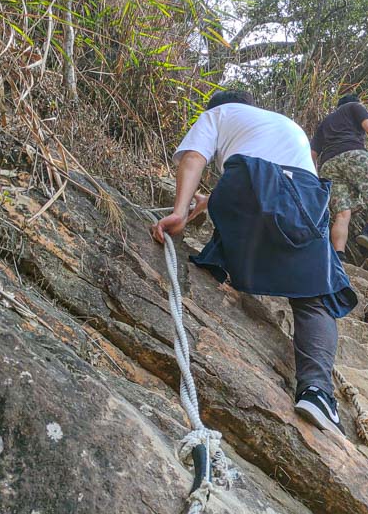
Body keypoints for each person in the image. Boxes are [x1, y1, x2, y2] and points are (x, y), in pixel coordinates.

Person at [150, 90, 357, 437]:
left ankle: (215, 266)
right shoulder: (285, 125)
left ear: (219, 106)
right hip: (306, 196)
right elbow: (281, 181)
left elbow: (195, 158)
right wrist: (202, 206)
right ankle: (317, 393)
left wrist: (180, 210)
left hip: (244, 184)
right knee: (315, 295)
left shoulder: (219, 114)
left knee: (239, 213)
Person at [310, 94, 368, 260]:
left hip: (327, 165)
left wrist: (314, 178)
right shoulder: (354, 107)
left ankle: (339, 257)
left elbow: (312, 154)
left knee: (342, 214)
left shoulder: (325, 122)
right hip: (353, 154)